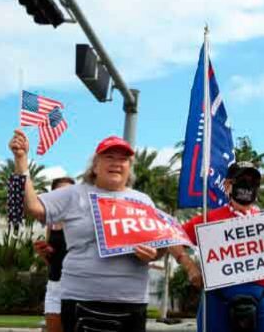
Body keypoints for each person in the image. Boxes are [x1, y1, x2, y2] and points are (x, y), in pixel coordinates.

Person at [9, 130, 164, 332]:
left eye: (123, 159)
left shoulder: (143, 201)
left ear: (129, 167)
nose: (117, 163)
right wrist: (21, 160)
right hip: (82, 298)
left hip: (132, 301)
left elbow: (162, 244)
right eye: (109, 157)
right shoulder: (73, 194)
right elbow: (33, 206)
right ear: (95, 165)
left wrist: (154, 254)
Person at [170, 161, 264, 332]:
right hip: (218, 298)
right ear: (227, 185)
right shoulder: (208, 219)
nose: (248, 185)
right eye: (242, 179)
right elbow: (172, 237)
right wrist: (189, 266)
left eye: (253, 181)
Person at [34, 177, 76, 332]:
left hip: (77, 287)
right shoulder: (50, 223)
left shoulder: (80, 222)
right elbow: (52, 260)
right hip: (55, 285)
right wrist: (44, 253)